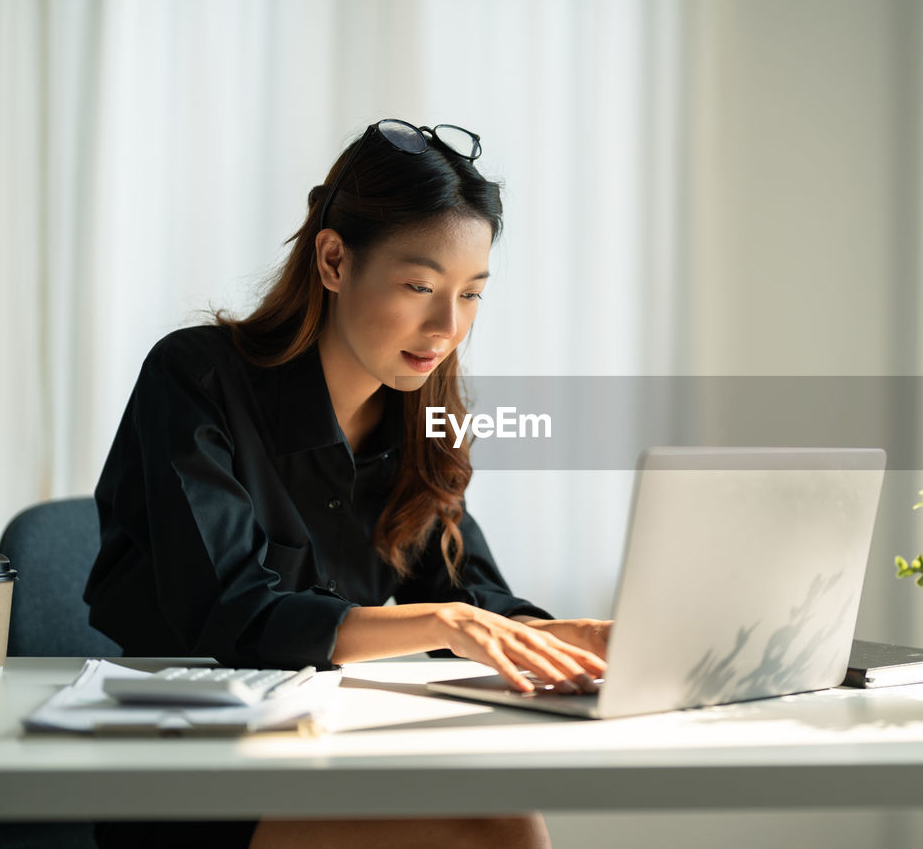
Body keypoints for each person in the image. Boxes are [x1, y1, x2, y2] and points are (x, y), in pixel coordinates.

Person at [83, 118, 611, 849]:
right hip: (185, 764)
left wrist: (576, 636)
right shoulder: (195, 376)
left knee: (503, 807)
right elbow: (235, 613)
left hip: (325, 743)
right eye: (420, 285)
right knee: (497, 825)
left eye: (471, 295)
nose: (446, 325)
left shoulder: (423, 417)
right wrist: (440, 625)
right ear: (333, 260)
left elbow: (471, 597)